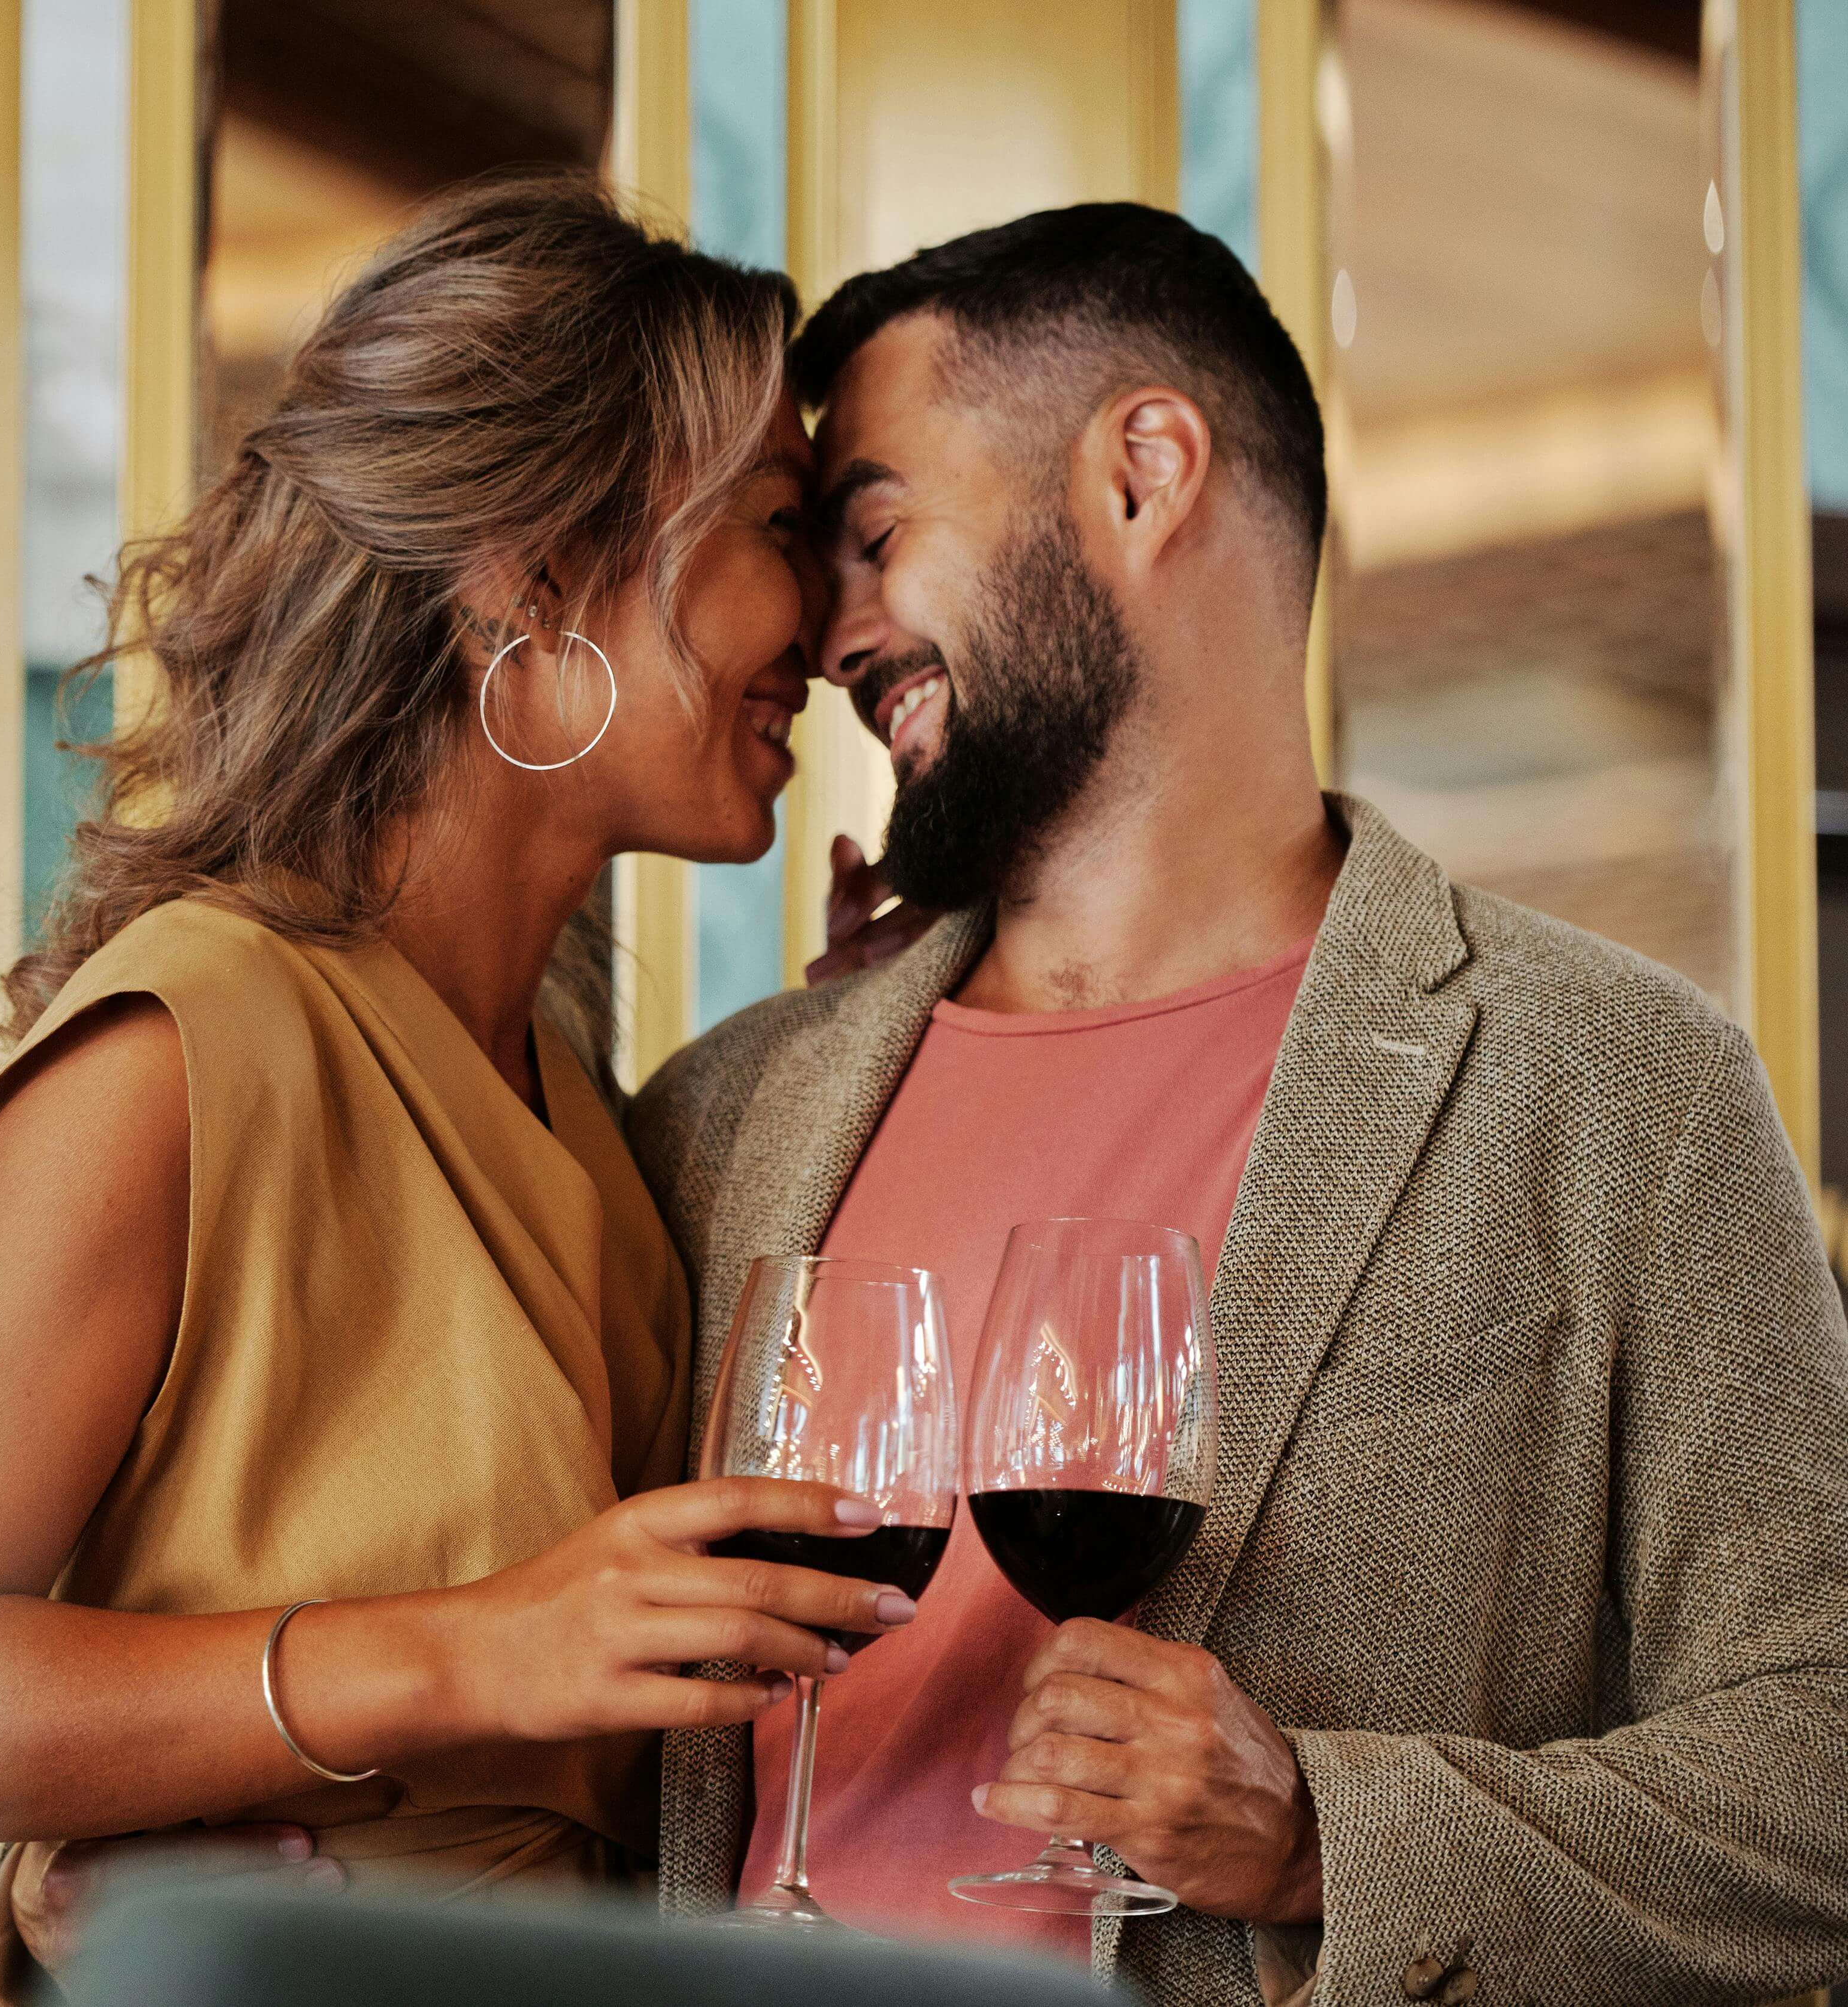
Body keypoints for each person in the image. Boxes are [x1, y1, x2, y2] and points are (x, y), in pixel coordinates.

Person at [630, 203, 1848, 2005]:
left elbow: (1821, 1758)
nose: (830, 636)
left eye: (878, 535)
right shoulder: (725, 1116)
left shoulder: (1616, 1087)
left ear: (1143, 475)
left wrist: (1321, 1837)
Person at [0, 175, 929, 2006]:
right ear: (531, 576)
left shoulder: (576, 1109)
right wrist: (464, 1657)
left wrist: (878, 1054)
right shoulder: (190, 1046)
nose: (830, 617)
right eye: (781, 523)